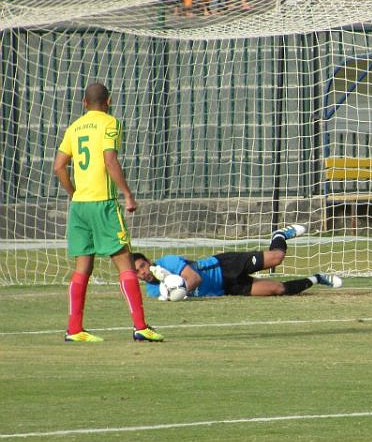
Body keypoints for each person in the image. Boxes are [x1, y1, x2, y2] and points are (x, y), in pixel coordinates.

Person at [52, 83, 163, 343]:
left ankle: (75, 329)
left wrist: (74, 194)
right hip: (103, 203)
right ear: (109, 101)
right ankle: (140, 327)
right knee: (124, 262)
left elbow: (58, 166)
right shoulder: (110, 123)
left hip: (79, 206)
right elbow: (110, 160)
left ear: (83, 102)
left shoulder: (74, 127)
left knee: (82, 268)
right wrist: (127, 194)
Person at [133, 224, 343, 298]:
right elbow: (167, 300)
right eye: (137, 272)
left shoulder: (167, 262)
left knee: (277, 257)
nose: (142, 272)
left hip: (224, 266)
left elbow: (194, 279)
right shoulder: (153, 291)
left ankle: (279, 235)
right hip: (228, 288)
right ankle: (317, 278)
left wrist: (175, 285)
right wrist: (168, 296)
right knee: (278, 289)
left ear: (148, 260)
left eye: (142, 265)